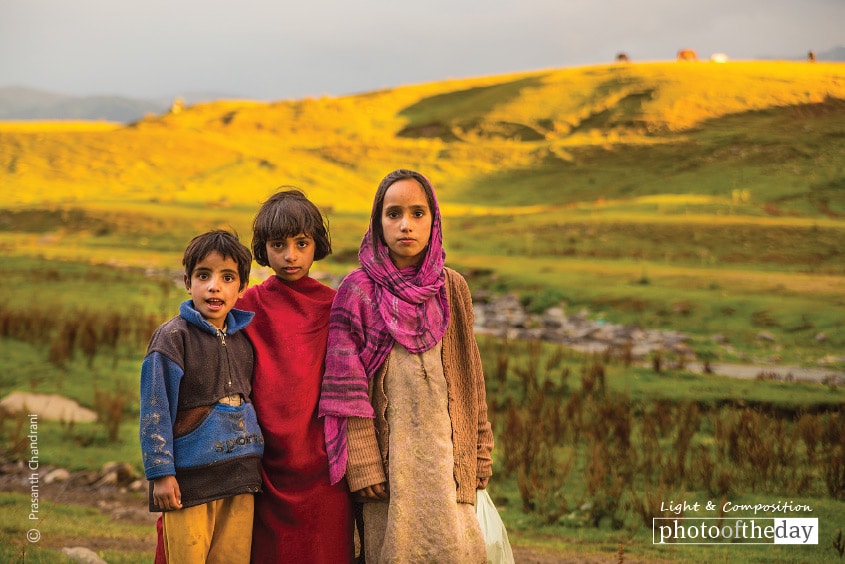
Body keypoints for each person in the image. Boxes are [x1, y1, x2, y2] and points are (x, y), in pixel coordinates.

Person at [319, 169, 494, 563]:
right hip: (391, 463)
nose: (405, 225)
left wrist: (480, 451)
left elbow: (471, 380)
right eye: (393, 213)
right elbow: (346, 390)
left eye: (418, 213)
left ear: (434, 221)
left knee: (457, 549)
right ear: (378, 222)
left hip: (447, 456)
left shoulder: (453, 287)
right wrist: (363, 465)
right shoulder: (357, 290)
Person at [237, 188, 355, 562]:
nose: (290, 256)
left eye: (301, 243)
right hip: (266, 460)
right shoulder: (248, 305)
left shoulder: (334, 305)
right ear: (263, 248)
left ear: (316, 243)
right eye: (278, 244)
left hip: (324, 462)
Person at [139, 229, 263, 563]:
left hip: (240, 480)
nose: (214, 286)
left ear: (242, 287)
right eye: (203, 275)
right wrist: (161, 474)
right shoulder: (172, 339)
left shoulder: (244, 341)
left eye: (227, 277)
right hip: (190, 485)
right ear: (187, 281)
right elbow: (155, 410)